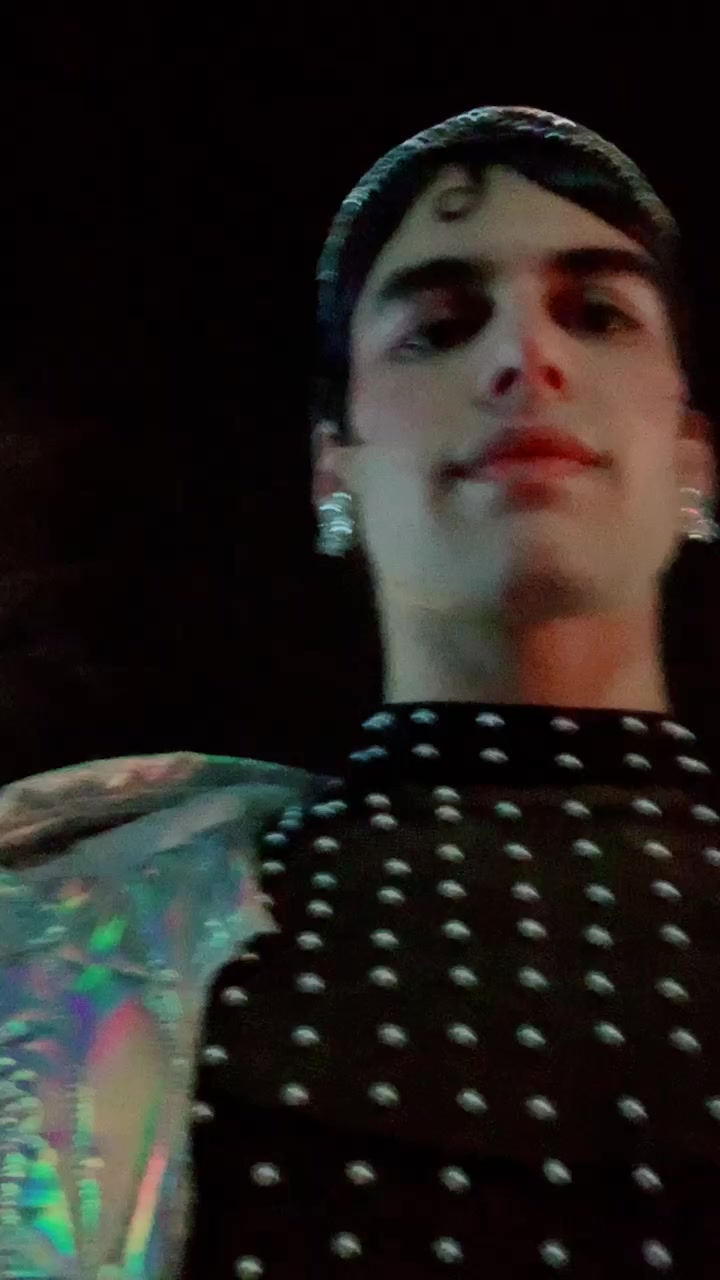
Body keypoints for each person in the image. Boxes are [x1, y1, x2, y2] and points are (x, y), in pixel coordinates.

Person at [1, 106, 719, 1279]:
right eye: (438, 328)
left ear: (693, 454)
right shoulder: (71, 937)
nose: (524, 359)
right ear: (333, 466)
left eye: (596, 313)